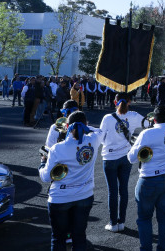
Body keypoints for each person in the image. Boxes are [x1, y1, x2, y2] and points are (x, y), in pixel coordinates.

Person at [39, 110, 101, 251]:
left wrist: (42, 163)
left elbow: (45, 177)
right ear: (86, 125)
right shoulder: (94, 140)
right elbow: (100, 130)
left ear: (67, 126)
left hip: (60, 197)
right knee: (79, 236)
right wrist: (86, 127)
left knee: (58, 238)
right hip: (84, 195)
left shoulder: (57, 148)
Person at [127, 106, 165, 251]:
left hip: (150, 179)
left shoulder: (147, 133)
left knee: (144, 218)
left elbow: (131, 158)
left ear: (154, 119)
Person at [99, 92, 143, 233]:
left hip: (110, 157)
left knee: (112, 191)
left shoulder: (107, 118)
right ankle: (121, 221)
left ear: (114, 102)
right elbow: (149, 124)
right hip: (126, 156)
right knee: (123, 190)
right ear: (129, 102)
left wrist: (109, 143)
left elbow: (100, 138)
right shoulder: (134, 116)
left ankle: (113, 223)